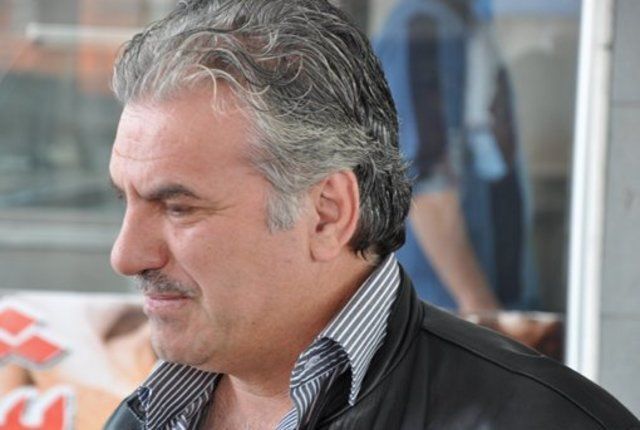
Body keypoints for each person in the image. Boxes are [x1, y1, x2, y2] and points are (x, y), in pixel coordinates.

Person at [104, 1, 640, 429]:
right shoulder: (148, 413)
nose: (126, 256)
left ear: (327, 214)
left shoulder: (542, 419)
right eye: (126, 199)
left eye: (178, 207)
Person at [374, 0, 537, 313]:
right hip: (447, 312)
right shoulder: (422, 28)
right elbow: (424, 185)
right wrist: (480, 307)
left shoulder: (465, 23)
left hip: (484, 307)